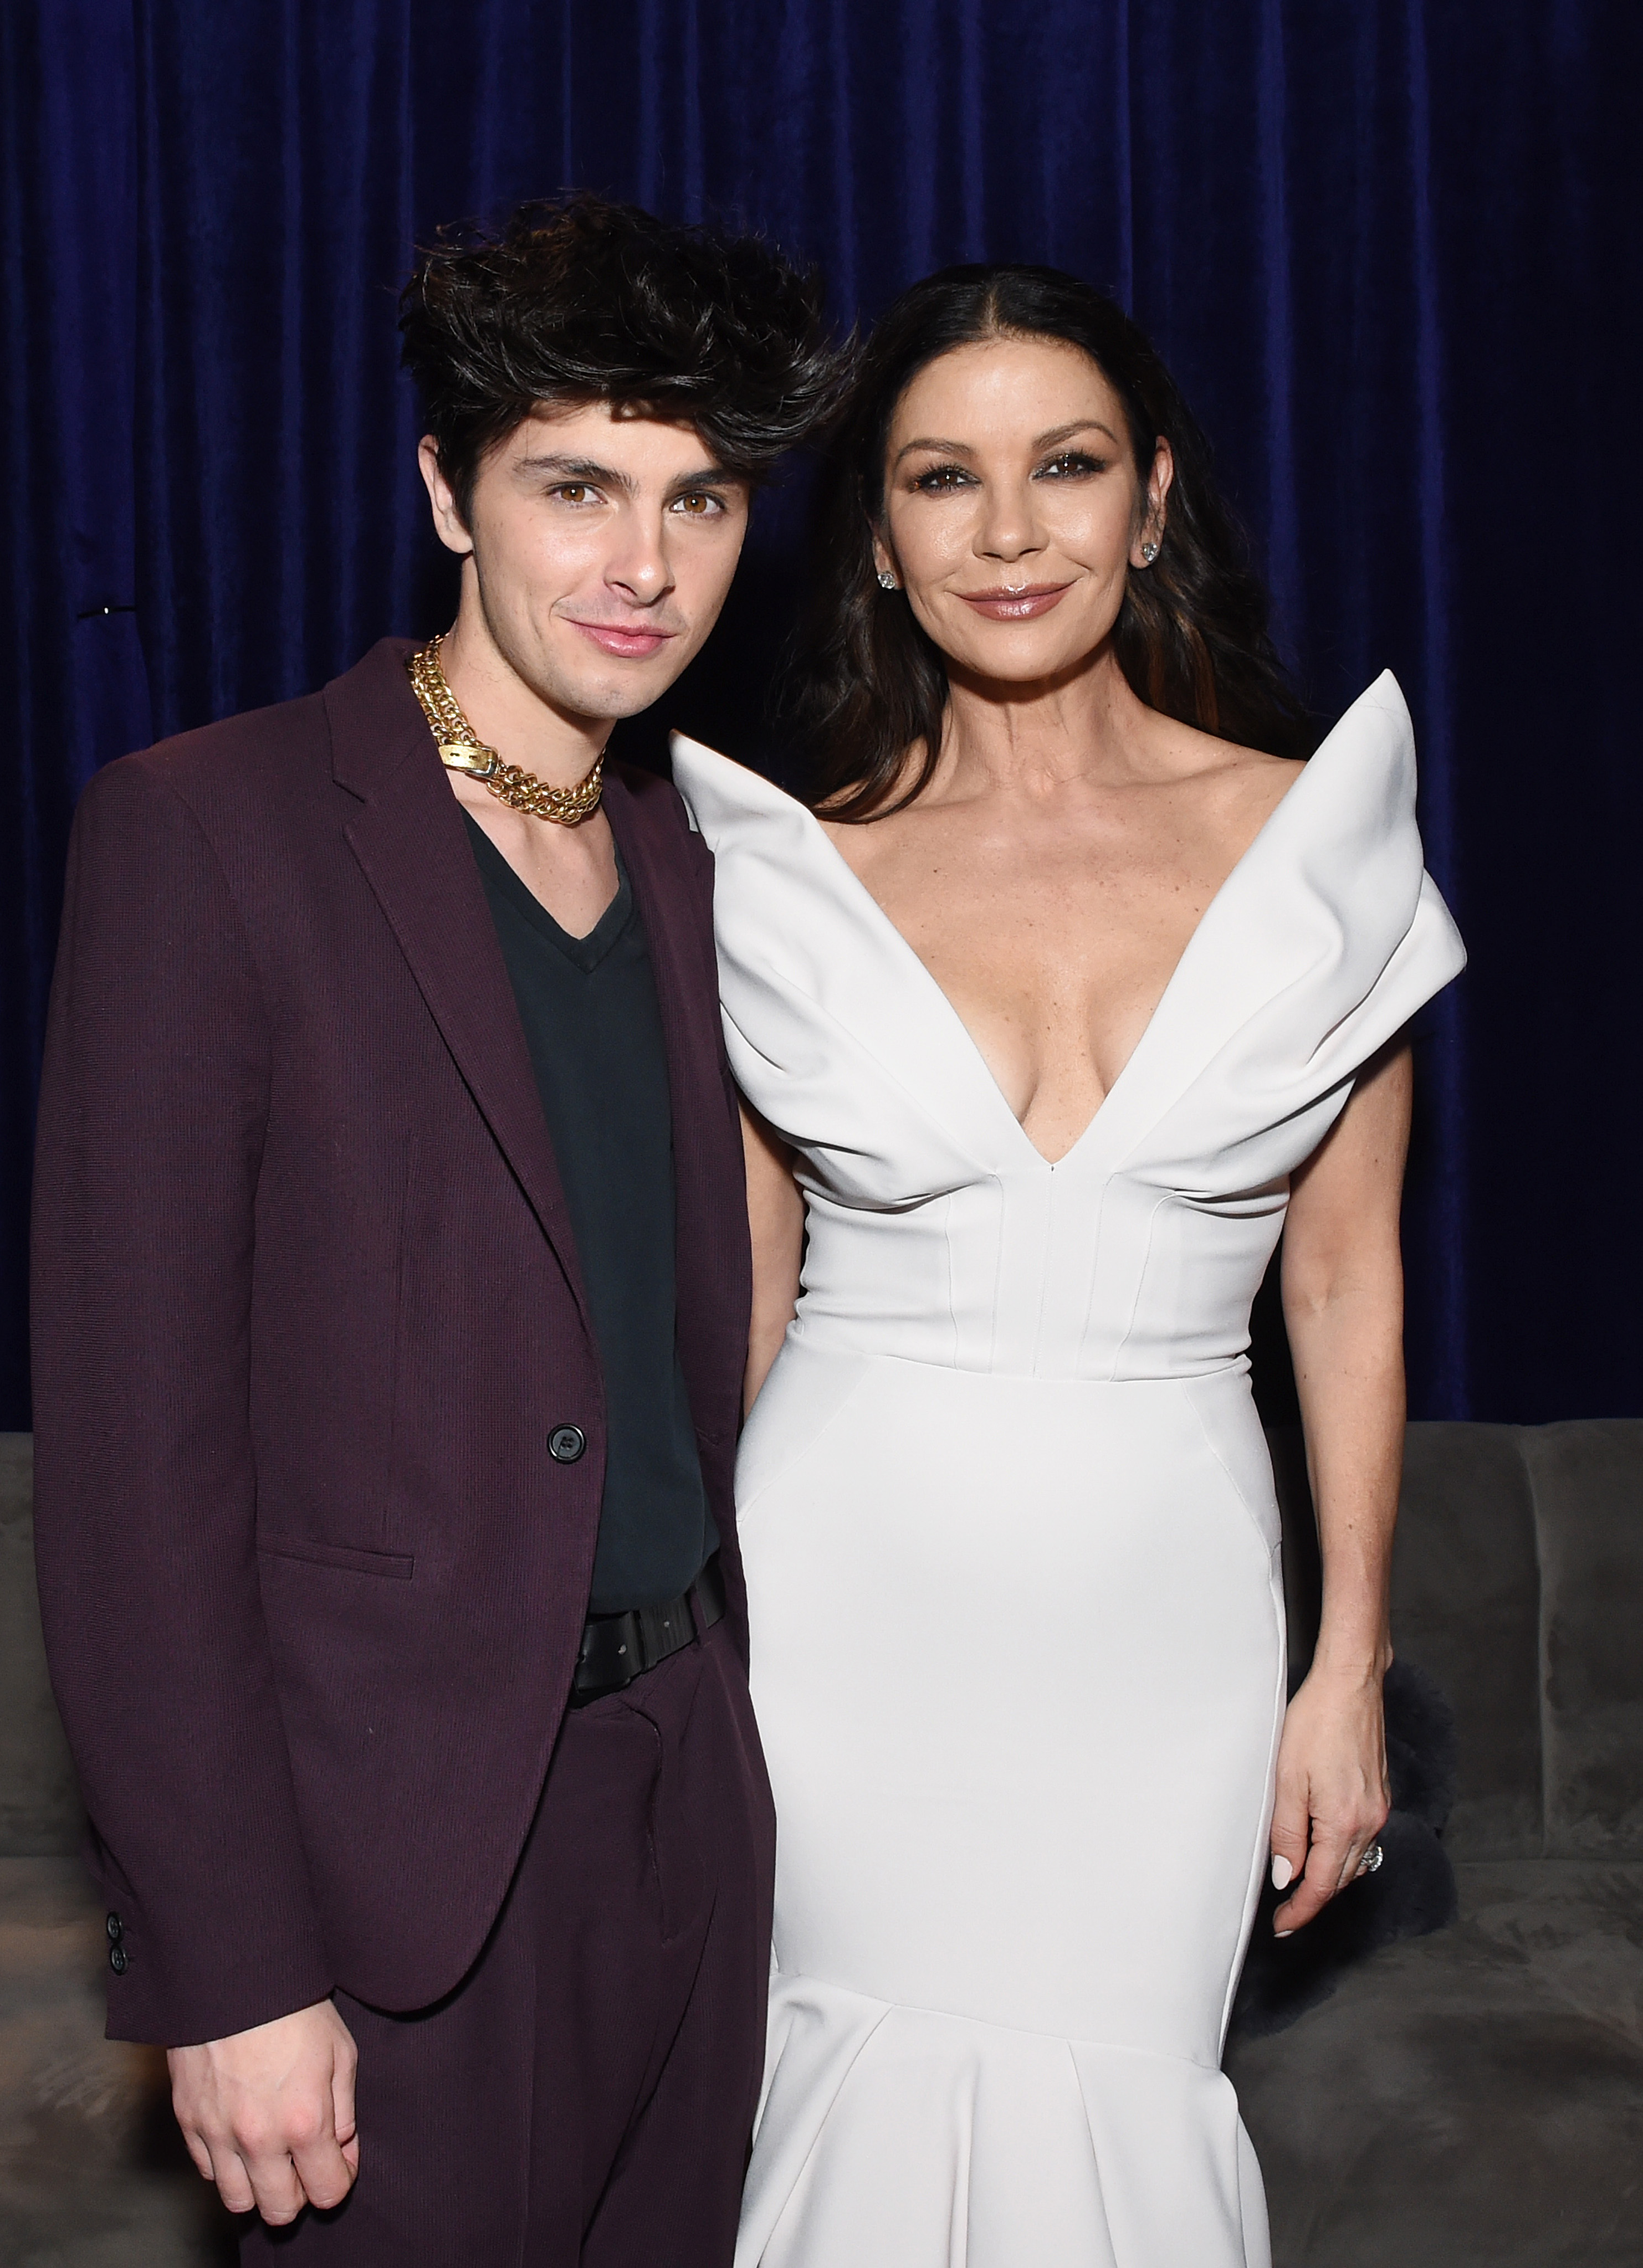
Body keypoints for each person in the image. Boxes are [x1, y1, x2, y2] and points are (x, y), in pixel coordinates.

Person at [30, 194, 835, 2266]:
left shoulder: (698, 854)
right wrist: (225, 1963)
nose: (644, 565)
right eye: (576, 487)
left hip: (688, 1813)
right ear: (446, 491)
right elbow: (138, 1479)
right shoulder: (210, 835)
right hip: (392, 1868)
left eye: (702, 498)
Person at [670, 264, 1465, 2266]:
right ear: (875, 534)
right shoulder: (777, 872)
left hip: (1165, 1616)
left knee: (1116, 2106)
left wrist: (1343, 1661)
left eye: (1068, 466)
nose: (1011, 532)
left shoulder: (1319, 848)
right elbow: (741, 1309)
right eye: (945, 478)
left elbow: (1348, 1287)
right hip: (843, 1606)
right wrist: (675, 1665)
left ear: (1155, 496)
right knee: (838, 2105)